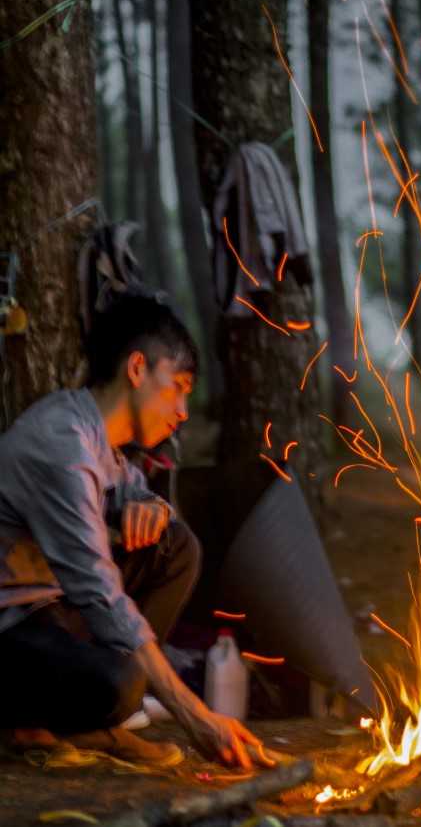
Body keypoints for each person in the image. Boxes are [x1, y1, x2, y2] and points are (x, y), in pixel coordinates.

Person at [0, 294, 269, 769]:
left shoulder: (102, 442)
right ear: (138, 368)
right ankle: (35, 725)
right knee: (123, 683)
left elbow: (133, 485)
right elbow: (99, 592)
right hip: (11, 629)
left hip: (50, 615)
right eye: (178, 385)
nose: (184, 409)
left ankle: (91, 725)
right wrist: (195, 713)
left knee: (176, 548)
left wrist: (152, 505)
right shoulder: (63, 442)